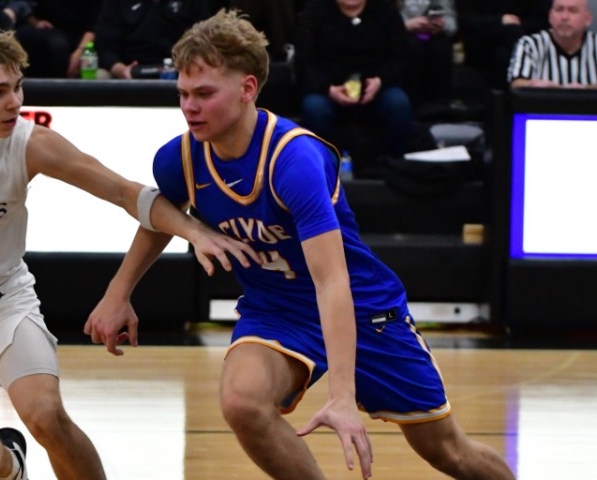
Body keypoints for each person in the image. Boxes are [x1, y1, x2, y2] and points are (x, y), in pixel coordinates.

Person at [85, 9, 516, 480]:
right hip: (278, 310)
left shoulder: (294, 159)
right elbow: (158, 218)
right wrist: (117, 293)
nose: (189, 107)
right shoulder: (180, 157)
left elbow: (332, 282)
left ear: (248, 88)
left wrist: (342, 396)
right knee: (241, 401)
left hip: (360, 309)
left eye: (204, 94)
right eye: (184, 94)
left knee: (449, 452)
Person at [0, 21, 259, 480]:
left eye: (17, 87)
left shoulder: (29, 144)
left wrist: (194, 231)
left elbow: (122, 191)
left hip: (2, 303)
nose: (15, 102)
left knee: (45, 415)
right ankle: (12, 465)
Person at [293, 0, 414, 171]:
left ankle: (396, 167)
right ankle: (322, 170)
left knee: (398, 103)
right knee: (314, 107)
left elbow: (401, 57)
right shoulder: (314, 11)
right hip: (329, 89)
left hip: (377, 88)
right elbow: (303, 63)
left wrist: (380, 81)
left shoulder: (385, 10)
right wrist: (328, 88)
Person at [93, 0, 214, 79]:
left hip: (181, 68)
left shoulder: (192, 3)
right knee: (99, 76)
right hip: (129, 68)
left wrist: (190, 66)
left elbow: (205, 38)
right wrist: (121, 69)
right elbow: (104, 46)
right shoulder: (117, 3)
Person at [457, 0, 552, 89]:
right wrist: (500, 20)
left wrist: (517, 23)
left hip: (520, 36)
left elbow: (542, 19)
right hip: (481, 41)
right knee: (511, 33)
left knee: (503, 56)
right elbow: (467, 20)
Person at [508, 0, 597, 88]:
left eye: (572, 11)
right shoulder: (529, 45)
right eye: (559, 10)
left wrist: (583, 89)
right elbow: (517, 84)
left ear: (587, 19)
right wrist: (535, 86)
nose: (564, 17)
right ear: (550, 16)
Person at [398, 0, 458, 108]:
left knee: (441, 47)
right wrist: (407, 25)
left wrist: (442, 25)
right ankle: (411, 105)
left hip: (433, 36)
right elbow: (381, 25)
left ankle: (440, 107)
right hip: (401, 34)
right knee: (413, 47)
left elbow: (452, 24)